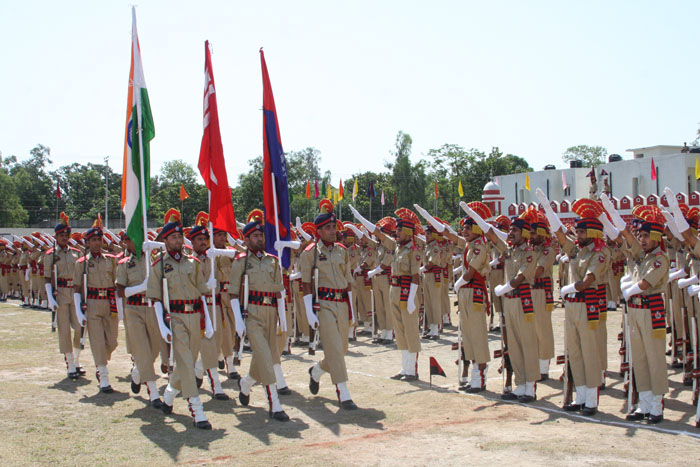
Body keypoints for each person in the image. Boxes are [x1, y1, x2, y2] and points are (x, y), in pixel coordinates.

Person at [463, 203, 539, 402]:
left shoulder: (529, 252)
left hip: (522, 299)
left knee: (526, 343)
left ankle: (530, 386)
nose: (510, 233)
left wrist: (503, 288)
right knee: (513, 344)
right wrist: (472, 215)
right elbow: (492, 234)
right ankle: (520, 385)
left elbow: (521, 277)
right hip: (510, 301)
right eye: (510, 230)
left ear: (523, 232)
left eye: (514, 230)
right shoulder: (510, 250)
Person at [147, 209, 215, 430]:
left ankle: (168, 396)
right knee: (185, 360)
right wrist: (161, 323)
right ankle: (197, 409)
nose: (177, 240)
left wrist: (209, 322)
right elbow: (155, 298)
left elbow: (202, 292)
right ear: (165, 240)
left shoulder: (193, 262)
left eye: (179, 236)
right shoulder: (158, 265)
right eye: (173, 237)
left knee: (189, 360)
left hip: (194, 315)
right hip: (174, 317)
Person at [228, 210, 290, 421]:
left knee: (267, 354)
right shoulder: (241, 261)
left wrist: (282, 317)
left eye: (261, 235)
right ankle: (274, 403)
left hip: (271, 311)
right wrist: (238, 321)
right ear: (246, 239)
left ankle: (246, 383)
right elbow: (234, 294)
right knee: (266, 355)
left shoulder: (273, 260)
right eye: (254, 236)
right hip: (251, 313)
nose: (259, 238)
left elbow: (279, 291)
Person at [352, 205, 422, 382]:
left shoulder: (413, 250)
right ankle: (404, 367)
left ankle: (412, 370)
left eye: (399, 230)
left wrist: (412, 299)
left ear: (407, 231)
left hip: (407, 291)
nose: (396, 233)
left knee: (410, 330)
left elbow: (415, 277)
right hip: (395, 289)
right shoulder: (395, 246)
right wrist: (359, 218)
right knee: (399, 329)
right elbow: (378, 233)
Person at [301, 199, 358, 409]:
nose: (333, 231)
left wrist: (352, 310)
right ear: (318, 231)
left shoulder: (342, 251)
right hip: (323, 304)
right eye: (328, 228)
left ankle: (316, 371)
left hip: (342, 303)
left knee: (341, 349)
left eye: (334, 227)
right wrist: (309, 311)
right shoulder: (310, 254)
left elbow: (349, 282)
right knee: (334, 347)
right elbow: (306, 284)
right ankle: (343, 392)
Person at [115, 233, 164, 408]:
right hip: (134, 309)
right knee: (142, 350)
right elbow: (120, 291)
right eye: (129, 240)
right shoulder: (124, 264)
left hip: (152, 307)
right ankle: (153, 392)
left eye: (136, 239)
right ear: (125, 243)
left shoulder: (154, 260)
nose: (134, 243)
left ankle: (137, 372)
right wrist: (140, 288)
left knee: (155, 349)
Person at [72, 215, 119, 393]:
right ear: (87, 243)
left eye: (99, 239)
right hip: (92, 303)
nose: (97, 243)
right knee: (97, 340)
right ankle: (103, 374)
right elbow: (77, 288)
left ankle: (102, 361)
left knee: (112, 341)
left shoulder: (111, 259)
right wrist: (78, 310)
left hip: (109, 302)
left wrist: (119, 307)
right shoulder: (81, 263)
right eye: (93, 240)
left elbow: (116, 284)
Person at [44, 213, 84, 379]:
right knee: (64, 330)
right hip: (60, 293)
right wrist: (50, 298)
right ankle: (70, 363)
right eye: (61, 235)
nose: (64, 238)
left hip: (74, 293)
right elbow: (47, 278)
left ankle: (76, 359)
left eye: (66, 235)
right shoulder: (50, 255)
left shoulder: (76, 253)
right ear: (56, 237)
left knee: (79, 327)